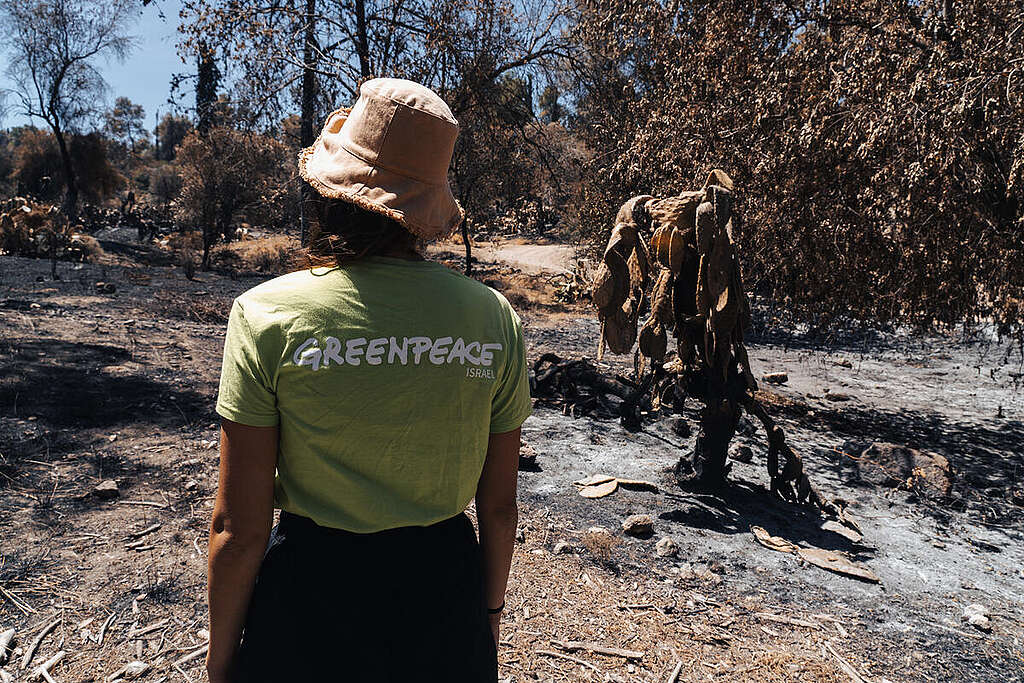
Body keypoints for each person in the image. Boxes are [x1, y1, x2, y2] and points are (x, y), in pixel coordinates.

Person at [205, 78, 532, 683]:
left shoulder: (266, 314)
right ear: (425, 209)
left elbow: (239, 529)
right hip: (444, 599)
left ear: (330, 192)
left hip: (309, 603)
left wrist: (220, 665)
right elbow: (499, 506)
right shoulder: (493, 318)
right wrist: (486, 616)